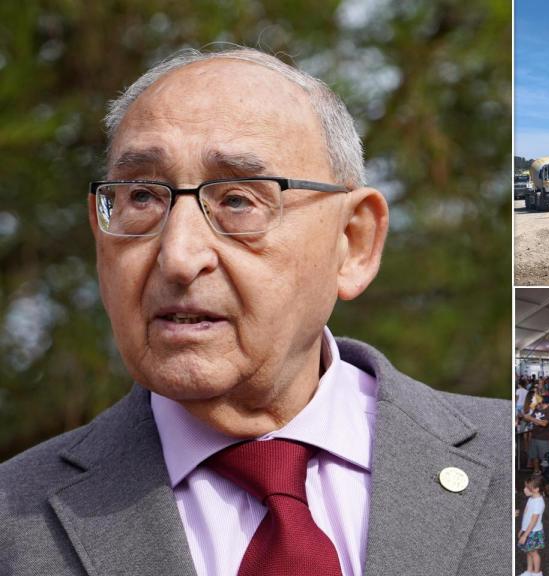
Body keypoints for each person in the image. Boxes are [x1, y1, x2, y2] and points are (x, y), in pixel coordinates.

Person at [0, 47, 510, 576]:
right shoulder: (13, 523)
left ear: (353, 242)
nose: (178, 256)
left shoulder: (508, 459)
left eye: (238, 200)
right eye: (142, 198)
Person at [519, 475, 547, 576]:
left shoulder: (539, 503)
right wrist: (522, 529)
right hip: (528, 531)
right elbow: (526, 516)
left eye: (527, 488)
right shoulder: (531, 499)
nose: (524, 489)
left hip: (534, 532)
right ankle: (529, 571)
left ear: (536, 489)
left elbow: (533, 521)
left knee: (533, 553)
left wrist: (525, 535)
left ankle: (537, 573)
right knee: (529, 551)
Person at [524, 396, 549, 474]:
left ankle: (546, 474)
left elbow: (544, 423)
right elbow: (528, 419)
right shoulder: (536, 409)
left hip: (544, 438)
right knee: (534, 456)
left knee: (545, 458)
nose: (537, 405)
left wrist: (530, 418)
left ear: (544, 403)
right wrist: (524, 416)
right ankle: (536, 471)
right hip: (534, 436)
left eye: (538, 403)